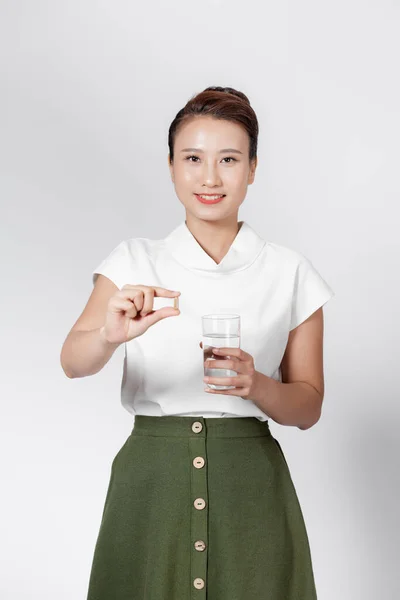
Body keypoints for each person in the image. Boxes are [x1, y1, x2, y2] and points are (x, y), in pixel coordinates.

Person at [60, 86, 335, 599]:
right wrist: (109, 335)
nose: (210, 178)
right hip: (149, 487)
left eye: (229, 159)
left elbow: (308, 406)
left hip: (250, 491)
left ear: (253, 168)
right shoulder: (133, 261)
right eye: (192, 159)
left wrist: (256, 385)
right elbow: (72, 362)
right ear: (170, 166)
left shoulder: (291, 272)